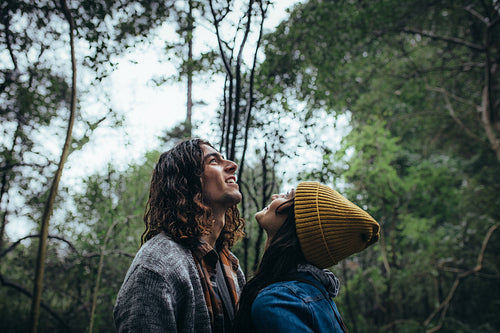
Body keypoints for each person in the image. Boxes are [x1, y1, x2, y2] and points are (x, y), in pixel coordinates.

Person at [114, 138, 246, 332]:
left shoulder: (231, 265)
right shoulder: (157, 266)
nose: (232, 165)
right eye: (214, 161)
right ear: (188, 182)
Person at [233, 182, 380, 333]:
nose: (274, 196)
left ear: (298, 223)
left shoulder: (277, 301)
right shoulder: (315, 295)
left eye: (286, 196)